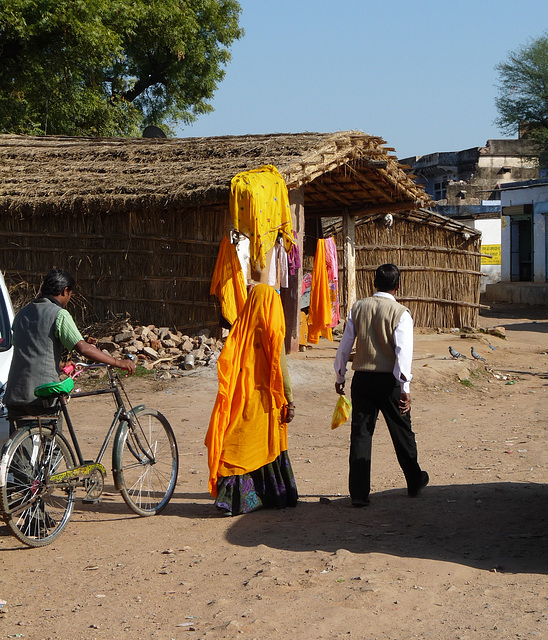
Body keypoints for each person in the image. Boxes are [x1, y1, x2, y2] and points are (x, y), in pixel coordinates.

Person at [334, 264, 428, 506]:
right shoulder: (400, 313)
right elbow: (403, 352)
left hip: (362, 380)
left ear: (374, 282)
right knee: (401, 431)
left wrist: (340, 376)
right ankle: (414, 479)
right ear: (398, 285)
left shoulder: (359, 308)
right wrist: (405, 388)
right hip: (389, 381)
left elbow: (345, 346)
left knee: (361, 434)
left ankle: (358, 493)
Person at [4, 268, 136, 434]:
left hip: (15, 394)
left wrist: (58, 365)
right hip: (41, 396)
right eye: (70, 294)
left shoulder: (21, 314)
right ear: (65, 290)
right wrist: (118, 362)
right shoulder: (59, 314)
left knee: (21, 455)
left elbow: (28, 349)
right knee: (52, 448)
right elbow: (82, 347)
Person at [205, 283, 298, 515]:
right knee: (265, 444)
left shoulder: (241, 327)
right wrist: (290, 399)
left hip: (241, 399)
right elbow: (281, 366)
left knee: (237, 444)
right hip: (266, 402)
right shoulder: (273, 329)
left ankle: (232, 501)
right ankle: (271, 495)